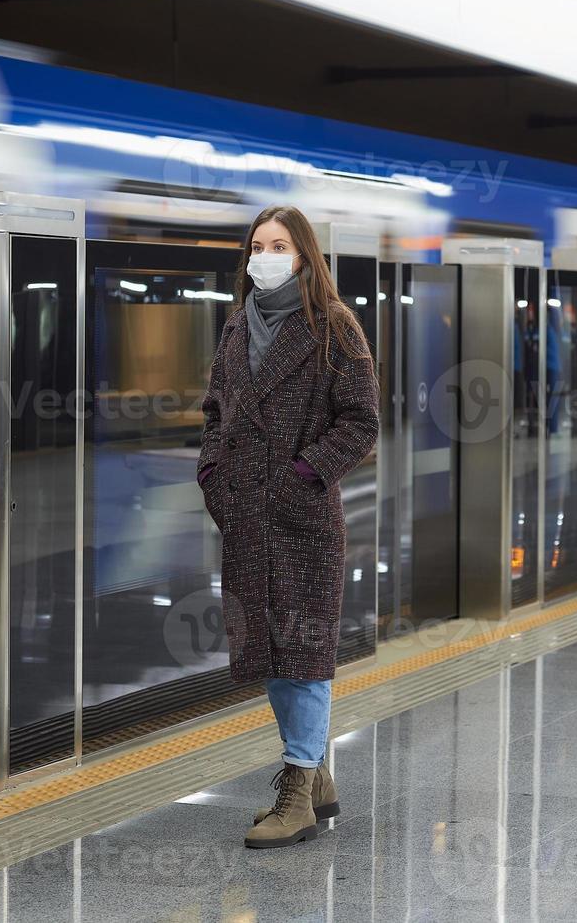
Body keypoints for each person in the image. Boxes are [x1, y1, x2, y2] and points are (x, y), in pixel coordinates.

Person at [196, 205, 379, 849]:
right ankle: (316, 772)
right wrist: (214, 474)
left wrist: (306, 474)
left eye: (278, 245)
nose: (264, 255)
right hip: (246, 517)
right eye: (256, 245)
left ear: (303, 254)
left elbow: (361, 422)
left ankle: (299, 787)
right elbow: (215, 411)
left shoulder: (335, 328)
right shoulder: (234, 331)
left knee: (304, 650)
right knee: (268, 650)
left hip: (303, 521)